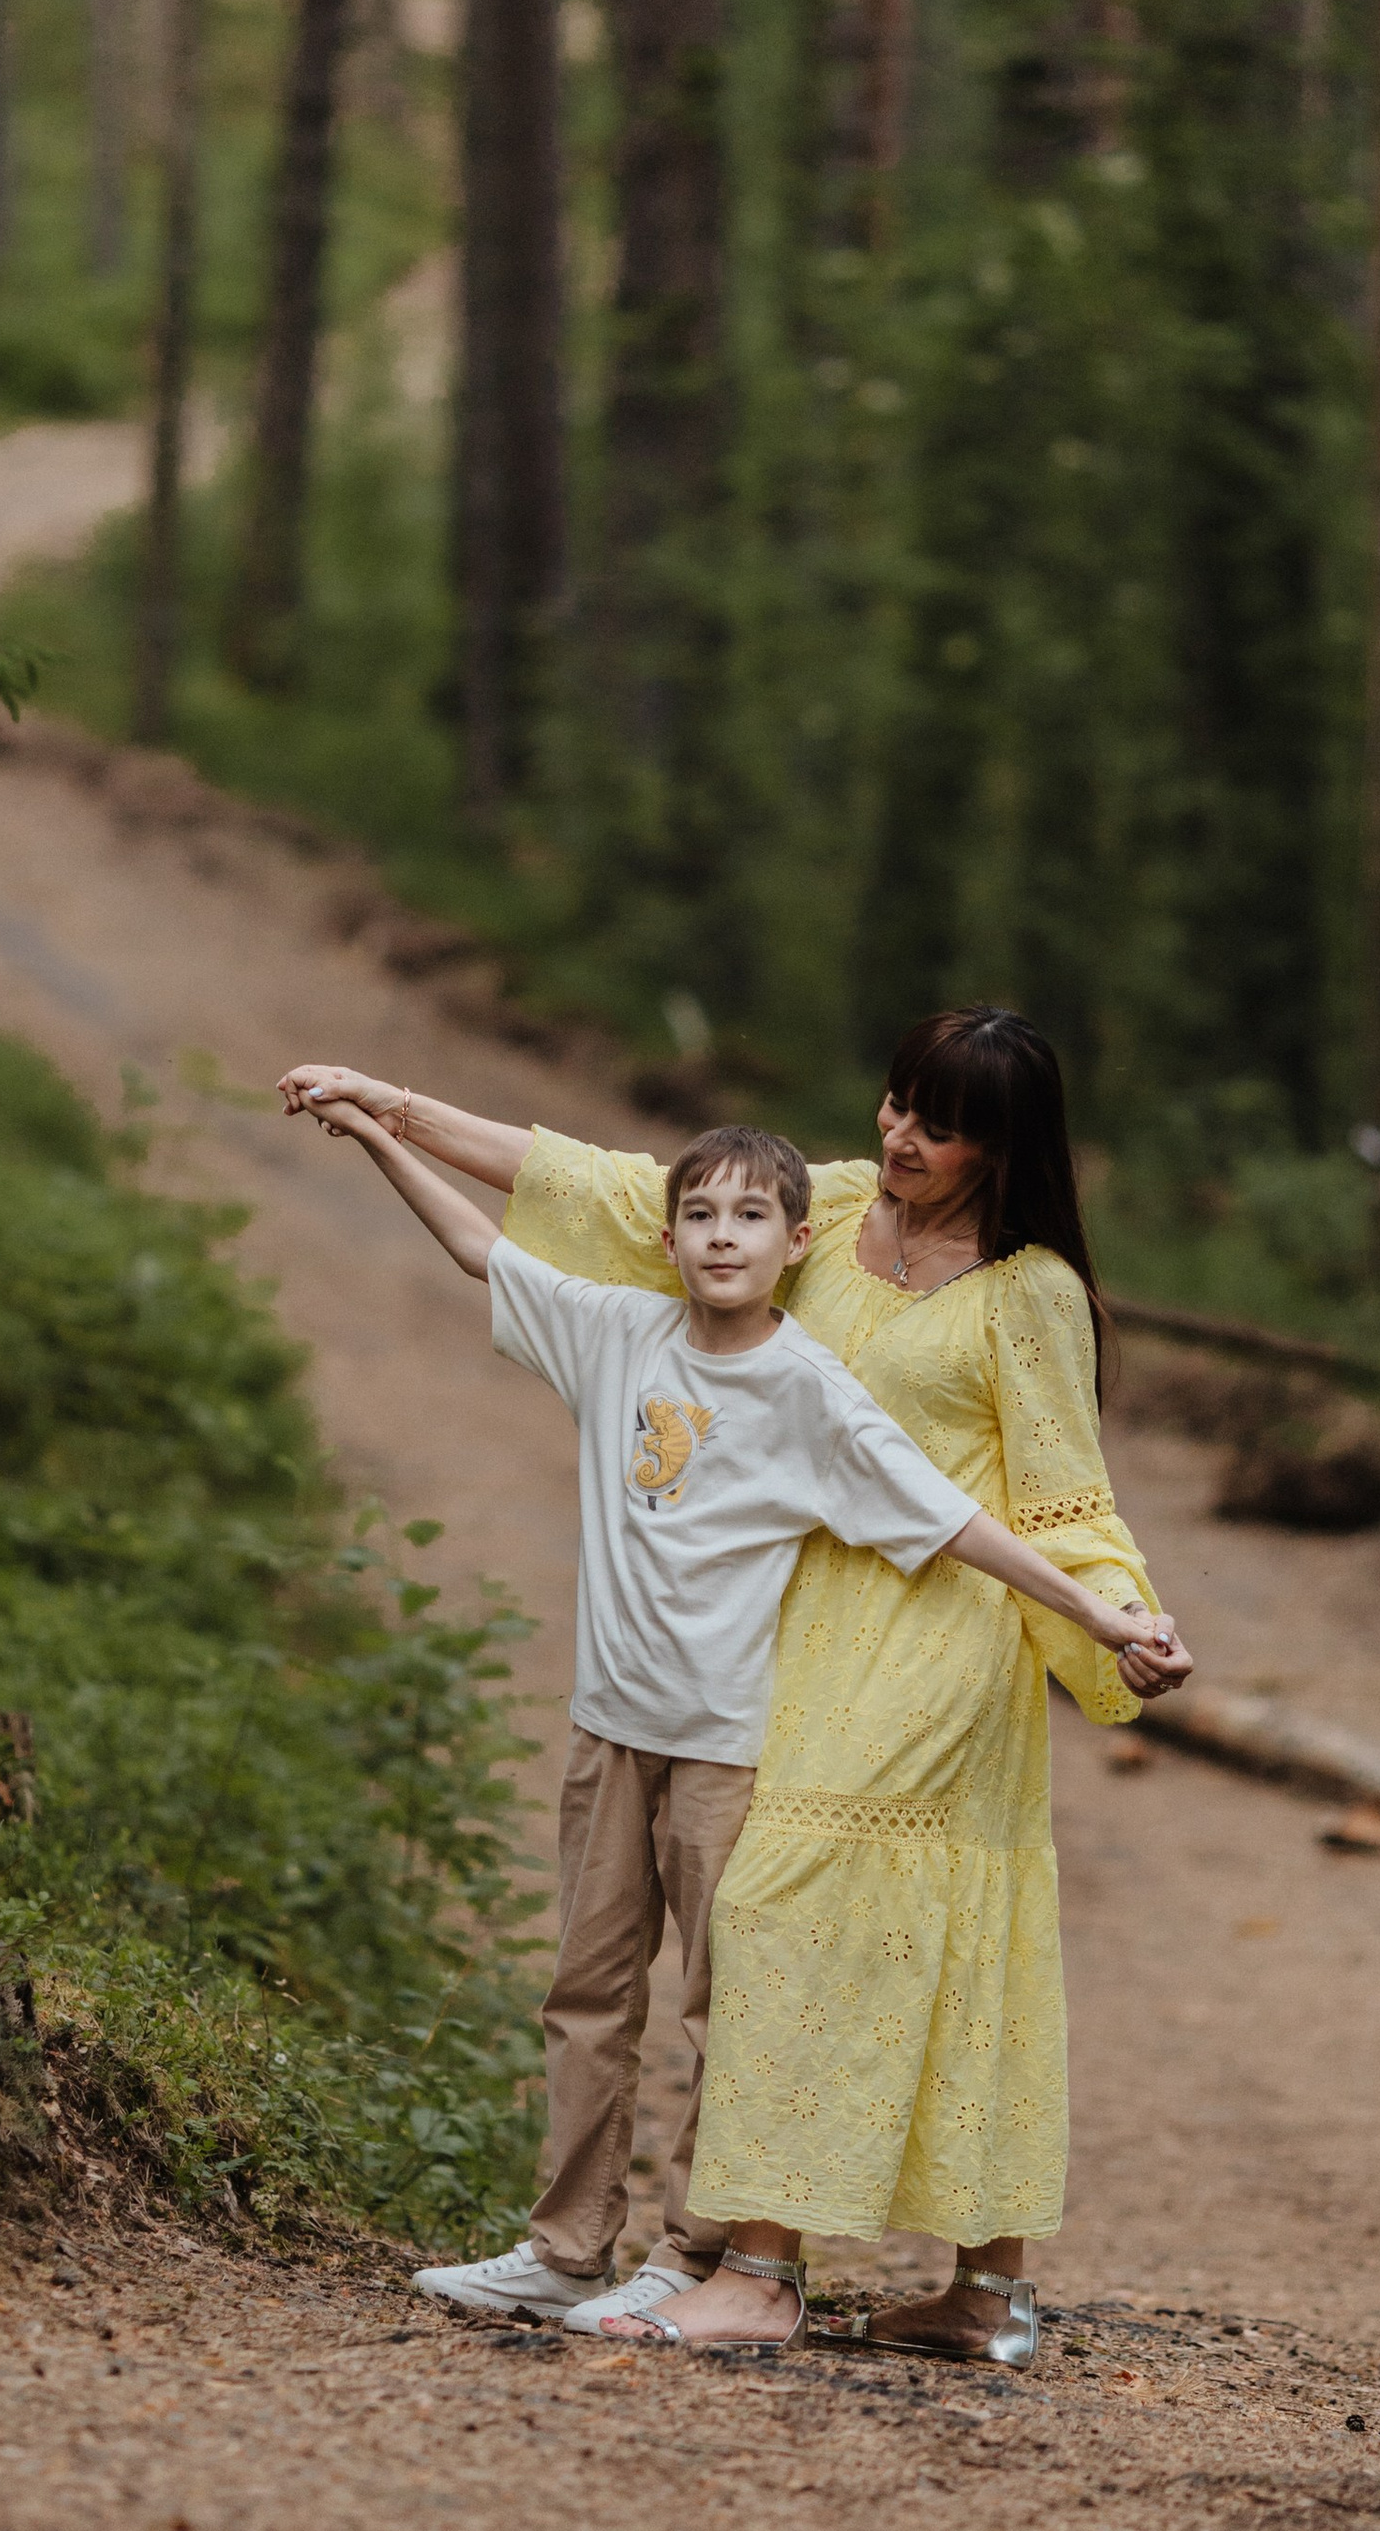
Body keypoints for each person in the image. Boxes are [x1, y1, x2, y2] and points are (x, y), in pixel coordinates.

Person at [276, 1012, 1191, 2363]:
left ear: (1003, 1150)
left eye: (935, 1128)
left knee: (805, 1923)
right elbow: (597, 1190)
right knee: (815, 1934)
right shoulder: (816, 1209)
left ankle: (767, 2265)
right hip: (787, 1639)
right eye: (894, 1108)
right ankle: (958, 2290)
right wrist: (391, 1110)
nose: (898, 1141)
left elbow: (1058, 1495)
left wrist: (1120, 1620)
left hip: (934, 1652)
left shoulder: (1029, 1292)